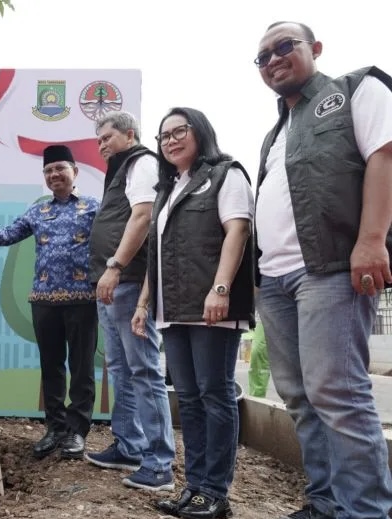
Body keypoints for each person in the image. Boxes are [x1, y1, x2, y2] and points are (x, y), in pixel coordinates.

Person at [253, 21, 392, 519]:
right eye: (262, 56)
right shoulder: (275, 133)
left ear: (314, 48)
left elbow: (385, 156)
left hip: (330, 269)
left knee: (338, 394)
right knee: (299, 397)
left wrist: (372, 240)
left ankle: (366, 511)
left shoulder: (356, 88)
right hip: (274, 280)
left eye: (283, 47)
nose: (272, 60)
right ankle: (325, 503)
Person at [133, 107, 254, 518]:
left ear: (200, 132)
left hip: (211, 308)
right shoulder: (167, 190)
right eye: (163, 136)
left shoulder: (226, 173)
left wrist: (220, 289)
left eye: (179, 131)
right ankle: (195, 487)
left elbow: (237, 230)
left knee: (215, 395)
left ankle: (215, 494)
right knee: (188, 398)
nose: (170, 141)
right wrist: (145, 303)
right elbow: (158, 256)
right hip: (174, 311)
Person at [0, 145, 99, 460]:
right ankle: (56, 428)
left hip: (83, 301)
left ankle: (77, 432)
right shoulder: (37, 211)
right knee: (51, 368)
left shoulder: (93, 208)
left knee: (82, 368)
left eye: (60, 168)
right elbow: (6, 235)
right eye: (48, 171)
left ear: (74, 170)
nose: (54, 175)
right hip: (43, 301)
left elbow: (110, 243)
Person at [84, 111, 176, 492]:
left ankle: (159, 463)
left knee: (144, 370)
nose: (102, 144)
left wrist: (116, 266)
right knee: (121, 369)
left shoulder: (142, 163)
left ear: (130, 134)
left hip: (128, 281)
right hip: (112, 285)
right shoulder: (121, 169)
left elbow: (143, 216)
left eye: (107, 137)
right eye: (99, 140)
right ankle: (130, 446)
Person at [247, 313, 270, 398]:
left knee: (290, 359)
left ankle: (296, 405)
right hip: (263, 313)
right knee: (257, 352)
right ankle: (257, 398)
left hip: (291, 310)